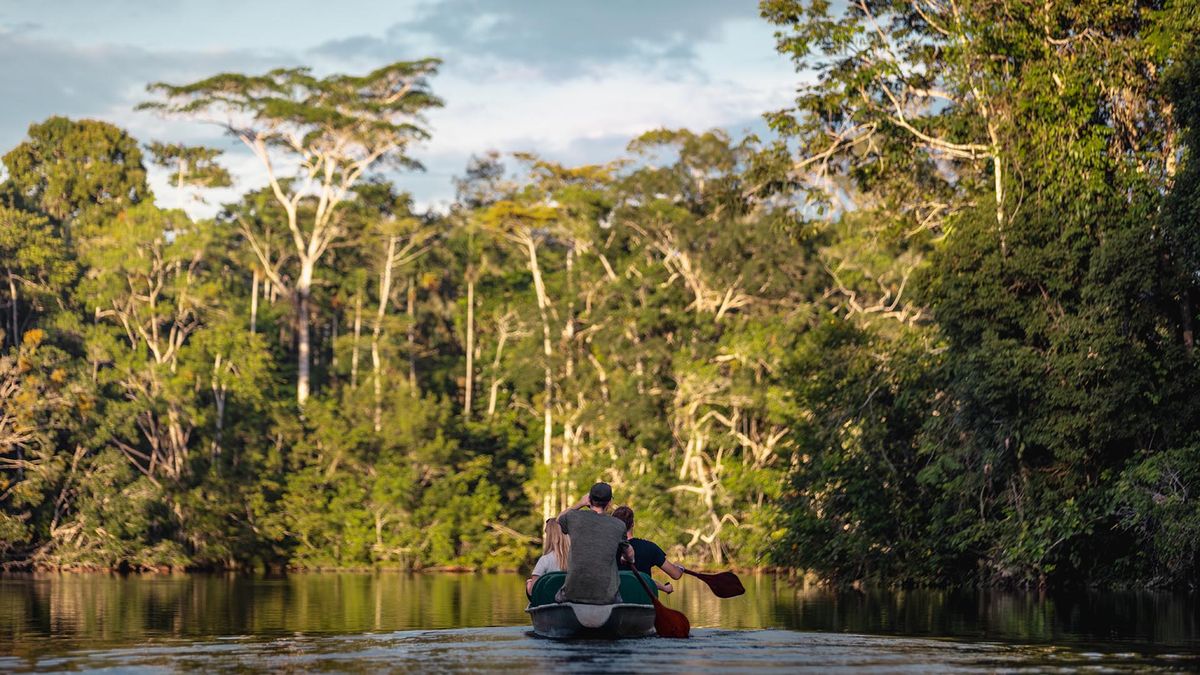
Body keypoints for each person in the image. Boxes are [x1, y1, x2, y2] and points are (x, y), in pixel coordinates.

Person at [555, 482, 635, 604]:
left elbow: (558, 519)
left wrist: (580, 503)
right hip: (607, 596)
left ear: (589, 499)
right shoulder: (618, 525)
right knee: (619, 599)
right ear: (609, 502)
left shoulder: (573, 517)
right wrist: (630, 559)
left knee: (557, 597)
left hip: (572, 593)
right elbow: (629, 553)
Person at [611, 506, 685, 594]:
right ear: (633, 524)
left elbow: (635, 580)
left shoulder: (606, 549)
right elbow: (676, 574)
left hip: (614, 600)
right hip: (642, 599)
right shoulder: (650, 547)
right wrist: (680, 568)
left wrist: (664, 587)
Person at [526, 518, 570, 596]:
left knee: (529, 583)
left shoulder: (545, 560)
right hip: (569, 599)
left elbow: (532, 591)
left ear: (550, 537)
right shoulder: (576, 559)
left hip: (548, 600)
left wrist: (529, 584)